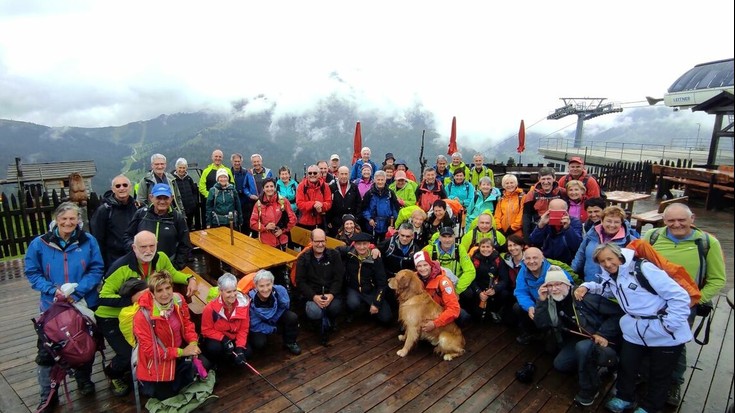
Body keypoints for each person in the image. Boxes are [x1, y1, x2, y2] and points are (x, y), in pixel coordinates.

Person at [576, 243, 692, 413]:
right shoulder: (611, 276)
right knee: (627, 365)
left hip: (663, 330)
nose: (607, 264)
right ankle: (624, 397)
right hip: (634, 330)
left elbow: (680, 296)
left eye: (610, 259)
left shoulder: (644, 269)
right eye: (602, 261)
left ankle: (651, 407)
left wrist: (669, 325)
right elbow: (610, 291)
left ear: (619, 256)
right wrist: (587, 286)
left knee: (660, 373)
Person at [643, 203, 726, 406]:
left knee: (675, 343)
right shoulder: (652, 237)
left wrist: (693, 301)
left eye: (681, 220)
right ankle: (645, 375)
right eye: (671, 220)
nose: (677, 224)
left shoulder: (707, 243)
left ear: (692, 219)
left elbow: (717, 279)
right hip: (652, 301)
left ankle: (674, 382)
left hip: (685, 304)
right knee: (646, 337)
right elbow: (638, 263)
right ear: (664, 220)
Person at [96, 230, 196, 397]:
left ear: (156, 245)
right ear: (134, 247)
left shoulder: (160, 258)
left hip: (141, 313)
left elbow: (173, 274)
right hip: (111, 316)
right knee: (128, 353)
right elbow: (102, 297)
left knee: (147, 347)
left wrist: (189, 279)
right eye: (143, 247)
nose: (148, 250)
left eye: (152, 246)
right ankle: (113, 373)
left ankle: (155, 373)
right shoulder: (121, 267)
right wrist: (131, 299)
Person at [25, 202, 104, 411]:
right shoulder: (40, 243)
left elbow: (97, 269)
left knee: (84, 344)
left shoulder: (88, 241)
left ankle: (83, 379)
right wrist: (53, 290)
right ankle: (48, 394)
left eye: (72, 218)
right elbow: (32, 273)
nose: (68, 222)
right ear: (56, 220)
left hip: (83, 302)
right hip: (52, 307)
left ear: (78, 220)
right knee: (46, 352)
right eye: (64, 219)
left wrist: (77, 292)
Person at [533, 268, 622, 406]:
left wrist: (602, 333)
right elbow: (542, 324)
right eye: (550, 285)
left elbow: (618, 313)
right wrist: (541, 301)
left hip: (601, 341)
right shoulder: (550, 301)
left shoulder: (585, 297)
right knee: (560, 365)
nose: (554, 289)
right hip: (576, 340)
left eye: (558, 284)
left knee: (583, 348)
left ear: (568, 284)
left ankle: (590, 389)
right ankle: (586, 366)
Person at [133, 271, 207, 401]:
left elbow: (187, 323)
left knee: (206, 364)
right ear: (152, 293)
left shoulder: (178, 299)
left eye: (168, 288)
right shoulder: (142, 316)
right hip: (159, 360)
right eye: (159, 290)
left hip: (178, 351)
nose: (165, 294)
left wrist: (193, 343)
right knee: (166, 395)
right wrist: (182, 352)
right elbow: (152, 352)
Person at [125, 183, 192, 270]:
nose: (162, 201)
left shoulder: (177, 218)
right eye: (159, 198)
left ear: (171, 198)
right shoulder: (141, 214)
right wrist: (135, 251)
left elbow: (185, 244)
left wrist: (176, 267)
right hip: (141, 267)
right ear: (151, 197)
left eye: (166, 198)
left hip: (167, 268)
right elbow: (128, 236)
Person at [513, 247, 573, 345]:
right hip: (536, 303)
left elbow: (569, 285)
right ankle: (533, 333)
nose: (531, 261)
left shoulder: (554, 271)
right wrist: (529, 307)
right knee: (517, 307)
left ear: (543, 259)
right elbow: (520, 292)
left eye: (535, 258)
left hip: (553, 304)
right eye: (528, 258)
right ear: (524, 260)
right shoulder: (523, 271)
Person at [295, 229, 344, 345]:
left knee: (336, 307)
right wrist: (313, 297)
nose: (320, 244)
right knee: (314, 312)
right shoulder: (303, 258)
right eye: (317, 241)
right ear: (311, 241)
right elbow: (300, 282)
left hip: (330, 294)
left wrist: (331, 294)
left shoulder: (334, 255)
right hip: (313, 296)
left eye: (323, 241)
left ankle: (330, 320)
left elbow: (339, 278)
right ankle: (317, 324)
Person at [572, 205, 637, 282]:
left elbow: (635, 266)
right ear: (602, 221)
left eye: (616, 222)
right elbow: (580, 256)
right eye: (608, 221)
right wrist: (572, 274)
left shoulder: (630, 241)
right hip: (590, 283)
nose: (612, 225)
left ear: (621, 223)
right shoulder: (591, 235)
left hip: (615, 287)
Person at [338, 232, 392, 324]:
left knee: (386, 318)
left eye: (364, 244)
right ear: (354, 244)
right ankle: (350, 312)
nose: (362, 247)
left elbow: (382, 284)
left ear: (369, 245)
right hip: (353, 289)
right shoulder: (349, 253)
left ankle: (369, 307)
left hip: (370, 291)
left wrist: (376, 303)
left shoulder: (375, 258)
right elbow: (337, 249)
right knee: (352, 303)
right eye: (359, 244)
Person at [201, 273, 251, 369]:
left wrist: (239, 348)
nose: (233, 295)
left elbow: (243, 329)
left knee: (247, 352)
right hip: (218, 339)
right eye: (228, 292)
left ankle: (230, 360)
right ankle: (217, 363)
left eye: (234, 291)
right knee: (214, 348)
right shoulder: (210, 308)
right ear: (220, 291)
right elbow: (206, 330)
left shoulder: (243, 304)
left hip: (234, 336)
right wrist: (224, 339)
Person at [248, 270, 301, 355]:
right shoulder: (250, 301)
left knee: (292, 317)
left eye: (268, 285)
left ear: (272, 283)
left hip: (275, 317)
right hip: (260, 324)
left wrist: (274, 319)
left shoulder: (280, 290)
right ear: (256, 287)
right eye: (261, 286)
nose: (265, 289)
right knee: (259, 343)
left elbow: (285, 306)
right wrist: (273, 329)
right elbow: (255, 324)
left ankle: (290, 342)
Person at [91, 175, 138, 270]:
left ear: (130, 187)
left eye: (125, 185)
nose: (122, 188)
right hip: (113, 260)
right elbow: (98, 238)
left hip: (136, 257)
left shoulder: (137, 207)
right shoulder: (104, 210)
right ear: (113, 189)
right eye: (118, 186)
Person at [412, 251, 462, 330]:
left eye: (425, 265)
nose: (423, 269)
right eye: (419, 266)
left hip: (442, 311)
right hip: (425, 311)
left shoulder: (443, 281)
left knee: (463, 317)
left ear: (430, 265)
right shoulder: (414, 279)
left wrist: (435, 323)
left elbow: (453, 308)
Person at [423, 226, 476, 296]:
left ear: (454, 237)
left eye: (450, 236)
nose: (447, 240)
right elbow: (420, 267)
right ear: (439, 238)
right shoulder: (429, 250)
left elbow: (470, 271)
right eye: (444, 236)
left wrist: (456, 290)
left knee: (469, 294)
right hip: (435, 284)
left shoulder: (460, 249)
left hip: (455, 284)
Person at [466, 238, 508, 323]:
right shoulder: (474, 259)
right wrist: (479, 292)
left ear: (492, 248)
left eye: (488, 247)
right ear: (479, 248)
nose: (485, 249)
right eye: (483, 247)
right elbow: (470, 278)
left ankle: (494, 310)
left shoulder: (498, 259)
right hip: (477, 289)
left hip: (491, 288)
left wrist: (495, 289)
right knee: (477, 317)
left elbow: (505, 279)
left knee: (505, 293)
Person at [528, 198, 583, 265]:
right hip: (548, 262)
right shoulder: (545, 221)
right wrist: (540, 225)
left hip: (567, 263)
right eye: (553, 212)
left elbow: (576, 246)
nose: (556, 215)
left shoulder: (574, 222)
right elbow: (534, 241)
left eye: (559, 212)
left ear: (566, 211)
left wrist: (568, 228)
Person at [250, 178, 296, 249]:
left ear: (275, 188)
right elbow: (252, 223)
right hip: (265, 242)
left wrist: (282, 230)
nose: (269, 189)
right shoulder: (258, 204)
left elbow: (293, 219)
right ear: (263, 189)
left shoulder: (283, 201)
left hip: (281, 241)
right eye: (267, 187)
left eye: (271, 186)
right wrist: (265, 227)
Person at [521, 167, 565, 244]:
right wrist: (527, 240)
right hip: (538, 229)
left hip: (557, 231)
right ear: (539, 179)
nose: (546, 182)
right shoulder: (532, 194)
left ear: (554, 178)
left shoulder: (562, 192)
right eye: (543, 179)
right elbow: (526, 217)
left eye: (549, 179)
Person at [361, 170, 399, 242]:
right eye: (378, 180)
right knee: (372, 244)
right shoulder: (369, 193)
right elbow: (364, 208)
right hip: (373, 225)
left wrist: (394, 222)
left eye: (382, 180)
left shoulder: (390, 193)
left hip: (387, 225)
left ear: (385, 180)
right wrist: (369, 219)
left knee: (385, 245)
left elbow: (395, 208)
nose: (380, 182)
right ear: (374, 180)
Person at [327, 166, 361, 237]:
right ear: (337, 174)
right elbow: (328, 204)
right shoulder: (332, 187)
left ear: (349, 175)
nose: (344, 176)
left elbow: (359, 204)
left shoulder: (354, 187)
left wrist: (356, 218)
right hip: (335, 223)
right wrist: (329, 220)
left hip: (350, 223)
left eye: (346, 174)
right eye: (342, 174)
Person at [295, 164, 332, 230]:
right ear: (307, 175)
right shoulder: (301, 186)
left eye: (315, 173)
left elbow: (329, 203)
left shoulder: (325, 186)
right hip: (304, 223)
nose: (312, 175)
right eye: (310, 173)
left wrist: (322, 206)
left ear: (319, 174)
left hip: (320, 222)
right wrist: (313, 204)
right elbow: (299, 204)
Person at [230, 153, 257, 234]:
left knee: (246, 221)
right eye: (235, 161)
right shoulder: (229, 172)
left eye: (239, 161)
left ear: (241, 161)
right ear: (232, 161)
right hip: (233, 201)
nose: (237, 163)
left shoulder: (246, 172)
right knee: (234, 221)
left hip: (245, 200)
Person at [171, 158, 201, 231]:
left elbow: (194, 192)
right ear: (176, 168)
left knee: (189, 228)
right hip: (178, 210)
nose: (182, 170)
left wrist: (194, 202)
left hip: (190, 209)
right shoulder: (172, 179)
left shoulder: (189, 179)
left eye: (184, 168)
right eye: (180, 167)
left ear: (186, 168)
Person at [494, 174, 524, 238]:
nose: (509, 185)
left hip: (517, 233)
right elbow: (497, 216)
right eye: (507, 183)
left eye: (511, 183)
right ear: (503, 185)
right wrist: (499, 229)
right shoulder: (501, 199)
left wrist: (512, 228)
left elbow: (521, 216)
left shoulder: (521, 197)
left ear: (516, 184)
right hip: (502, 233)